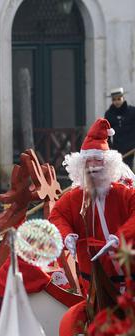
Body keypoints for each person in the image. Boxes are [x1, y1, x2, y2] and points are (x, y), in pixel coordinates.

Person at [50, 118, 135, 297]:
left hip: (128, 282)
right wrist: (67, 237)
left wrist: (121, 238)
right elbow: (57, 216)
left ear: (108, 164)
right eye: (88, 162)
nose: (93, 167)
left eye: (97, 161)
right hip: (92, 286)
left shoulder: (123, 193)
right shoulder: (74, 197)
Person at [105, 87, 135, 168]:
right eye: (114, 99)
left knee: (128, 170)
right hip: (116, 148)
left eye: (119, 99)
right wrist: (108, 147)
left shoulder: (132, 111)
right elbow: (106, 132)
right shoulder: (109, 114)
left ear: (123, 98)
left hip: (131, 148)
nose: (117, 101)